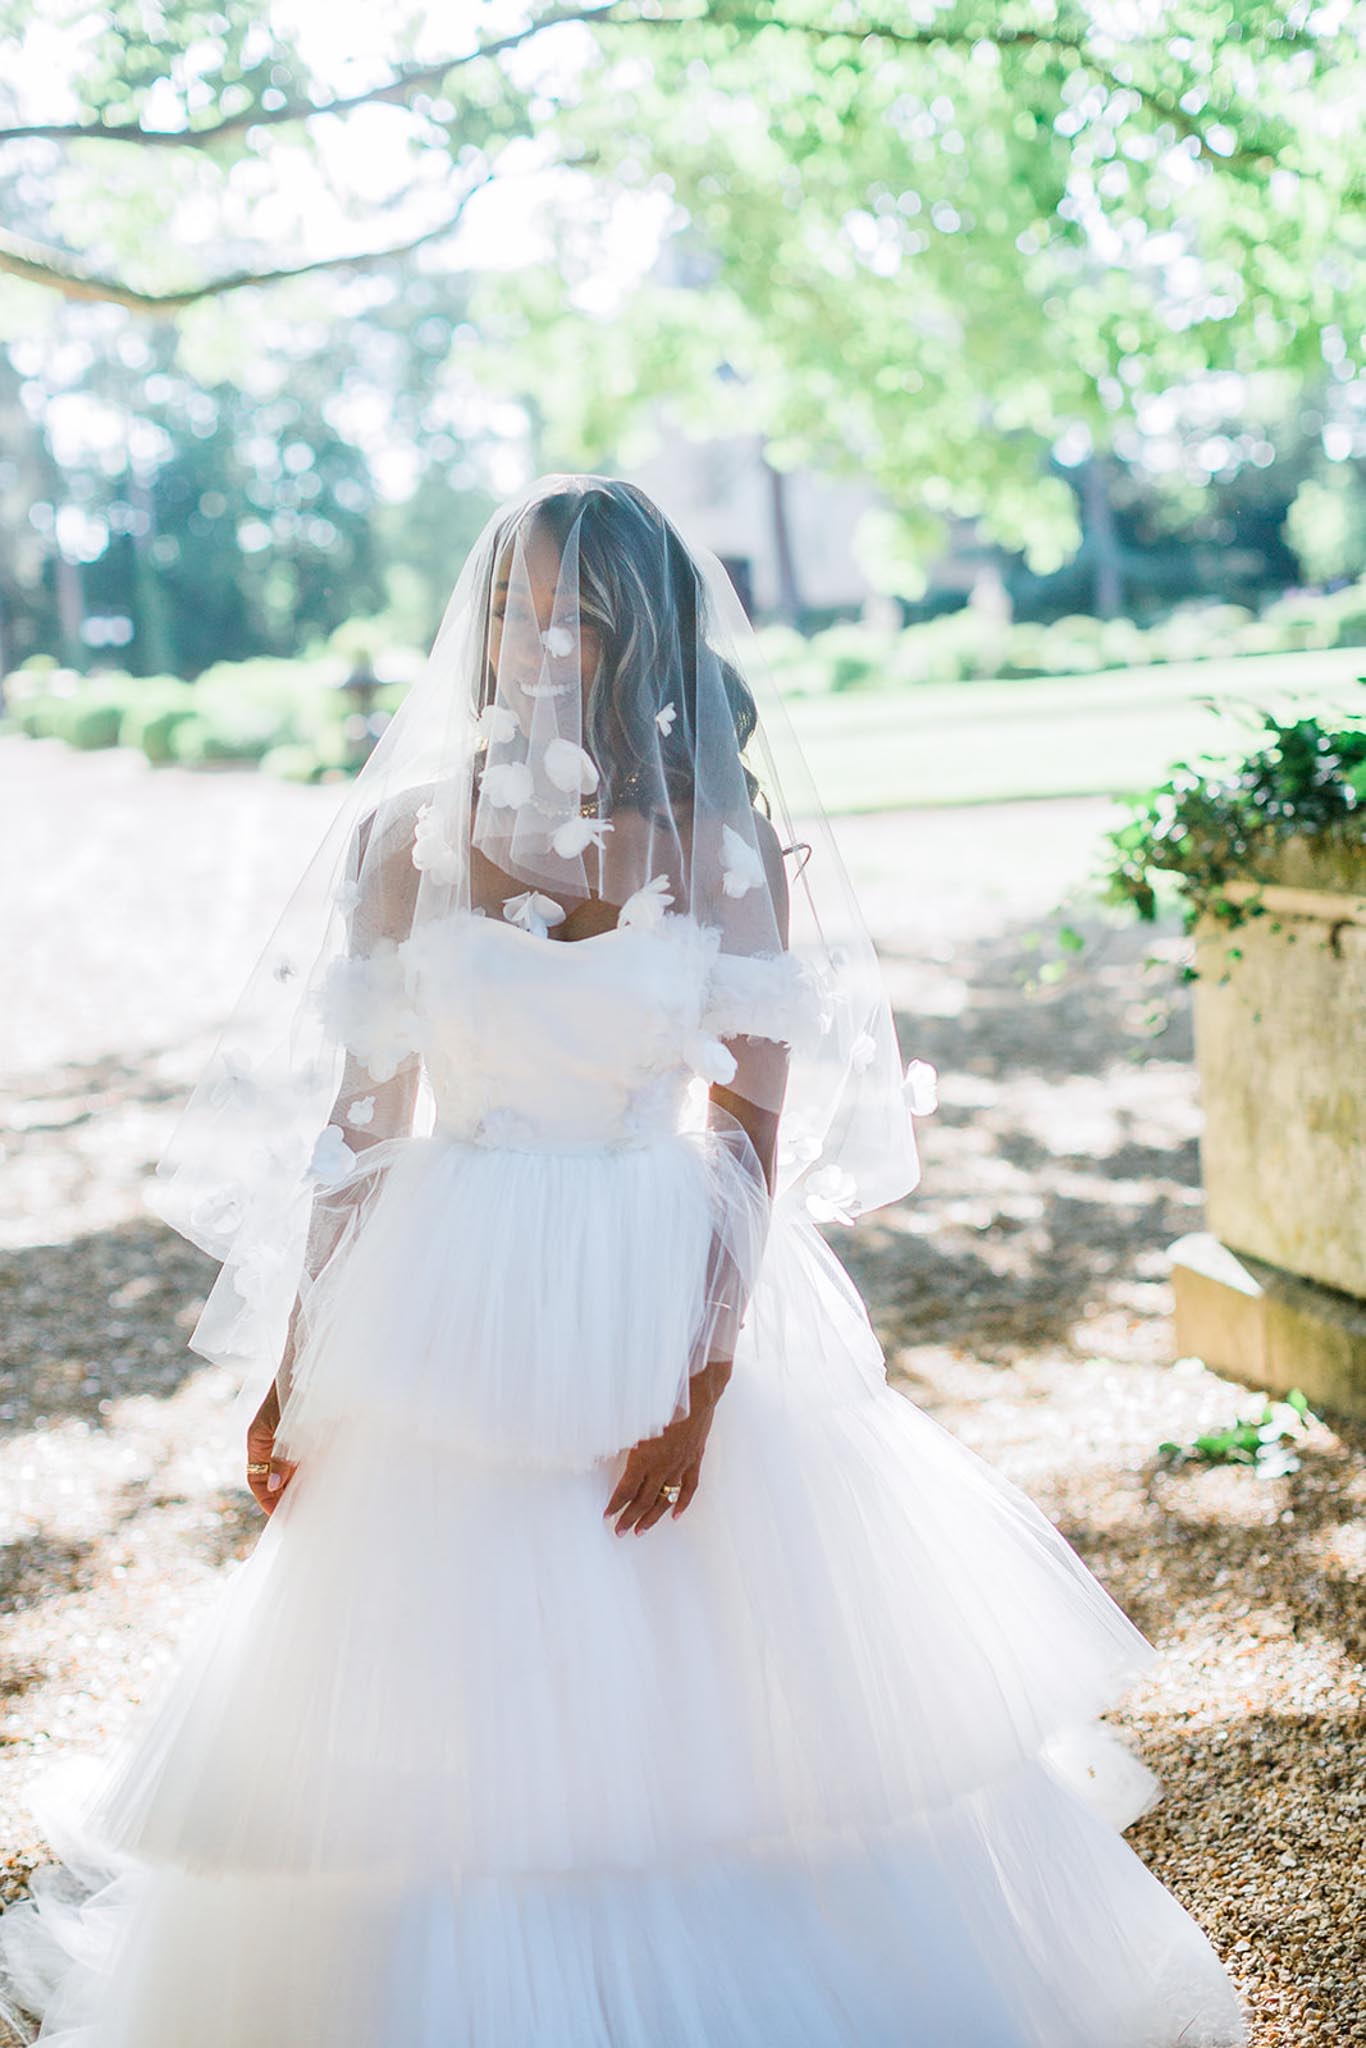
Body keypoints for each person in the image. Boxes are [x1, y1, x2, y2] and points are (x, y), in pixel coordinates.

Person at [0, 475, 1248, 2045]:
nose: (537, 639)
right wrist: (298, 1364)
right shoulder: (404, 843)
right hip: (447, 1294)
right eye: (518, 604)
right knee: (433, 1678)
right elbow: (359, 1125)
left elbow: (743, 1131)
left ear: (638, 629)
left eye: (577, 611)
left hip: (658, 1270)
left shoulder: (723, 844)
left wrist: (707, 1375)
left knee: (709, 1687)